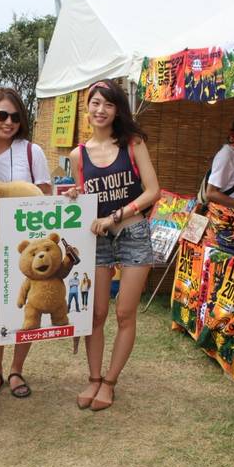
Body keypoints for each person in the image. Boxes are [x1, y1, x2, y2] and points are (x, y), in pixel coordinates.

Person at [66, 79, 160, 411]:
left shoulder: (133, 144)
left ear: (118, 110)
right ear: (87, 107)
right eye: (95, 103)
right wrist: (75, 195)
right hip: (97, 239)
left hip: (133, 233)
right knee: (96, 313)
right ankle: (93, 378)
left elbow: (153, 191)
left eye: (108, 104)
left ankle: (109, 382)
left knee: (124, 313)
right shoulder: (78, 155)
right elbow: (85, 194)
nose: (101, 110)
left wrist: (117, 215)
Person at [0, 87, 52, 398]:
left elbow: (45, 194)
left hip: (27, 244)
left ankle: (16, 370)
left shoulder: (31, 151)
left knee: (30, 305)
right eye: (1, 115)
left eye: (14, 116)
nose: (8, 122)